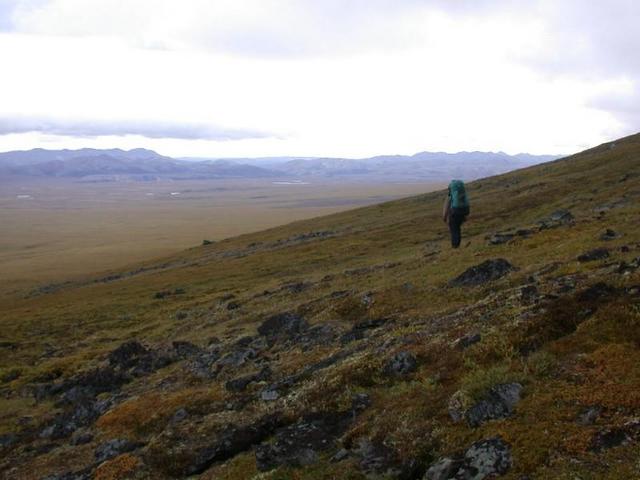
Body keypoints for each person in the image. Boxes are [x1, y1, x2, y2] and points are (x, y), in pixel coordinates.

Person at [443, 179, 470, 248]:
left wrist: (444, 218)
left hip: (456, 211)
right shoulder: (463, 194)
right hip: (464, 211)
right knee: (457, 227)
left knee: (454, 228)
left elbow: (446, 208)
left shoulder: (450, 196)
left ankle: (455, 245)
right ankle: (457, 244)